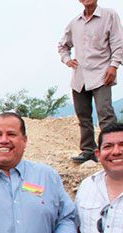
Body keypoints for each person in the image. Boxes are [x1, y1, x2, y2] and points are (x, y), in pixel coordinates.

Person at [58, 0, 123, 164]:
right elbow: (62, 45)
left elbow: (118, 43)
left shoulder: (109, 15)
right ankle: (88, 150)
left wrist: (114, 66)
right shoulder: (75, 23)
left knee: (105, 114)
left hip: (102, 74)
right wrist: (67, 60)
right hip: (79, 76)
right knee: (83, 116)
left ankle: (113, 149)